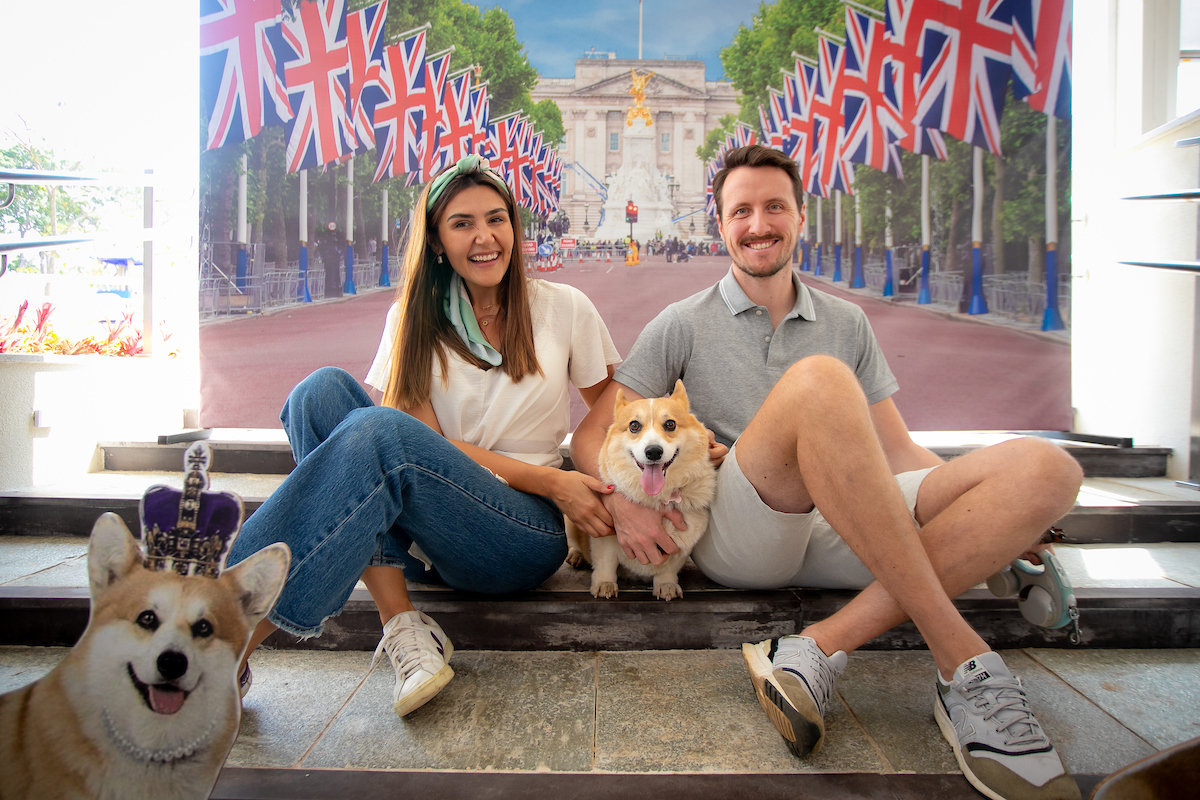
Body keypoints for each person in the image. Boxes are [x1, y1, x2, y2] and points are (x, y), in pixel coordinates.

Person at [570, 145, 1084, 800]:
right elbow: (593, 435)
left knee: (1047, 471)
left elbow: (895, 453)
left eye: (774, 207)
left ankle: (815, 648)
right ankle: (966, 664)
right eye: (742, 211)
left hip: (852, 521)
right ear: (721, 225)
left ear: (800, 217)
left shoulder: (847, 320)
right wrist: (621, 499)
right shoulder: (682, 323)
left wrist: (990, 509)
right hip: (749, 525)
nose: (759, 224)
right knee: (817, 382)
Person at [226, 154, 620, 718]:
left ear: (514, 226)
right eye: (462, 224)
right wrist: (553, 480)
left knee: (380, 431)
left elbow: (611, 401)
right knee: (321, 395)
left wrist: (597, 464)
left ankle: (228, 636)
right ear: (437, 241)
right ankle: (403, 625)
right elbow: (417, 443)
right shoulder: (413, 317)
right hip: (442, 517)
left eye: (497, 219)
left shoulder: (563, 308)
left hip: (521, 532)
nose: (485, 237)